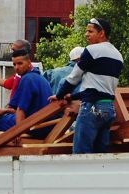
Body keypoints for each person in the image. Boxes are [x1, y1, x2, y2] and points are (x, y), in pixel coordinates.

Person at [52, 18, 124, 154]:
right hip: (108, 109)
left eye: (90, 31)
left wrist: (59, 95)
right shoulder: (118, 55)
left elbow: (74, 78)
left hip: (92, 108)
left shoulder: (91, 50)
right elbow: (99, 88)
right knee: (99, 154)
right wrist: (72, 96)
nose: (86, 34)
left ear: (101, 33)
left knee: (81, 153)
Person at [0, 48, 54, 137]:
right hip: (45, 125)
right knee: (3, 117)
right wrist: (5, 110)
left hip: (35, 127)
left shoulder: (26, 79)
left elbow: (21, 110)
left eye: (20, 63)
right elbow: (29, 109)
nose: (16, 67)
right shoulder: (41, 79)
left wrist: (17, 133)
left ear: (29, 62)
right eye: (14, 64)